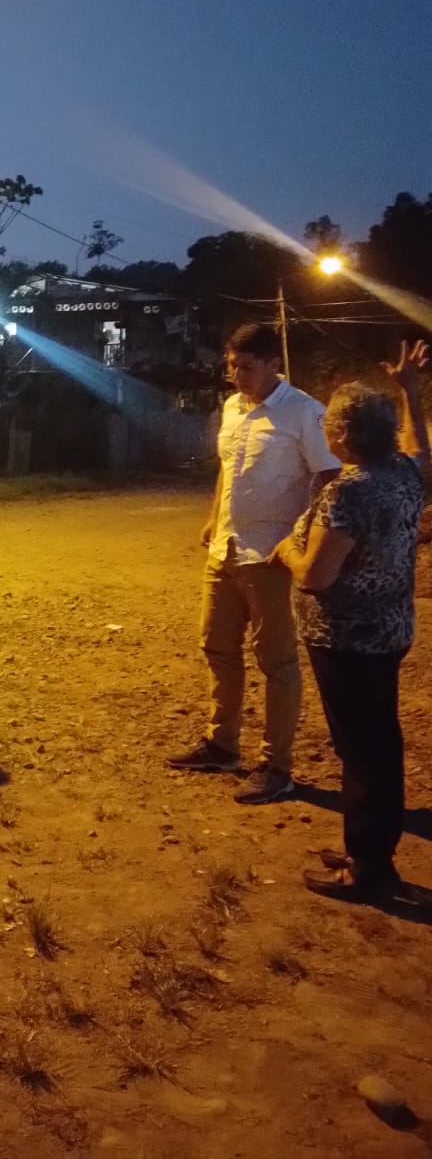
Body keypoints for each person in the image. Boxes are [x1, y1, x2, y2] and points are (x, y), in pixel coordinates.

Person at [271, 340, 429, 901]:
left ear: (342, 433)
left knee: (362, 750)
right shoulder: (403, 473)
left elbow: (316, 576)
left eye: (330, 424)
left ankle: (370, 869)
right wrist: (410, 391)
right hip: (387, 633)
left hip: (346, 640)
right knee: (378, 742)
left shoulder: (350, 492)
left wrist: (286, 549)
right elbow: (419, 446)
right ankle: (371, 847)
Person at [168, 322, 340, 803]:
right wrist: (213, 519)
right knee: (217, 648)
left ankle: (276, 766)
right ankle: (222, 744)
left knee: (277, 661)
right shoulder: (233, 408)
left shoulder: (304, 413)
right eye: (232, 366)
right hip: (226, 549)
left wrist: (307, 542)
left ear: (273, 364)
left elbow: (331, 479)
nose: (236, 375)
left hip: (270, 555)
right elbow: (228, 469)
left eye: (246, 367)